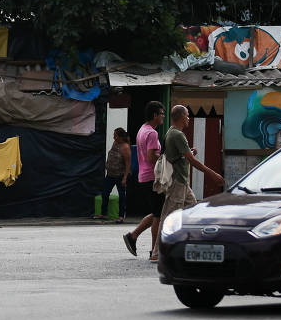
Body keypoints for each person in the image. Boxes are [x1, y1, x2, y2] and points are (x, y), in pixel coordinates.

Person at [149, 104, 225, 261]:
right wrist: (212, 174)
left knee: (195, 212)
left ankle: (193, 245)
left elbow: (181, 156)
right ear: (181, 117)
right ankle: (157, 252)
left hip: (182, 182)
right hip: (178, 182)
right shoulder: (177, 135)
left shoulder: (172, 133)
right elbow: (192, 161)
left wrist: (190, 152)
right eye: (187, 115)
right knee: (168, 216)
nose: (189, 118)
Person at [123, 101, 165, 258]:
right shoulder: (152, 133)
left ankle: (133, 236)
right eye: (161, 114)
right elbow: (151, 156)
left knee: (157, 212)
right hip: (152, 177)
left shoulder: (143, 129)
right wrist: (168, 161)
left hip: (144, 176)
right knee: (159, 215)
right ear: (155, 115)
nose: (163, 117)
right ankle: (154, 251)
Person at [95, 128, 131, 223]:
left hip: (120, 175)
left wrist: (125, 177)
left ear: (120, 137)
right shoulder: (115, 143)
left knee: (121, 195)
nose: (114, 137)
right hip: (110, 174)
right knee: (105, 192)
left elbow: (128, 164)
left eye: (115, 135)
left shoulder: (125, 147)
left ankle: (121, 216)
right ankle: (103, 213)